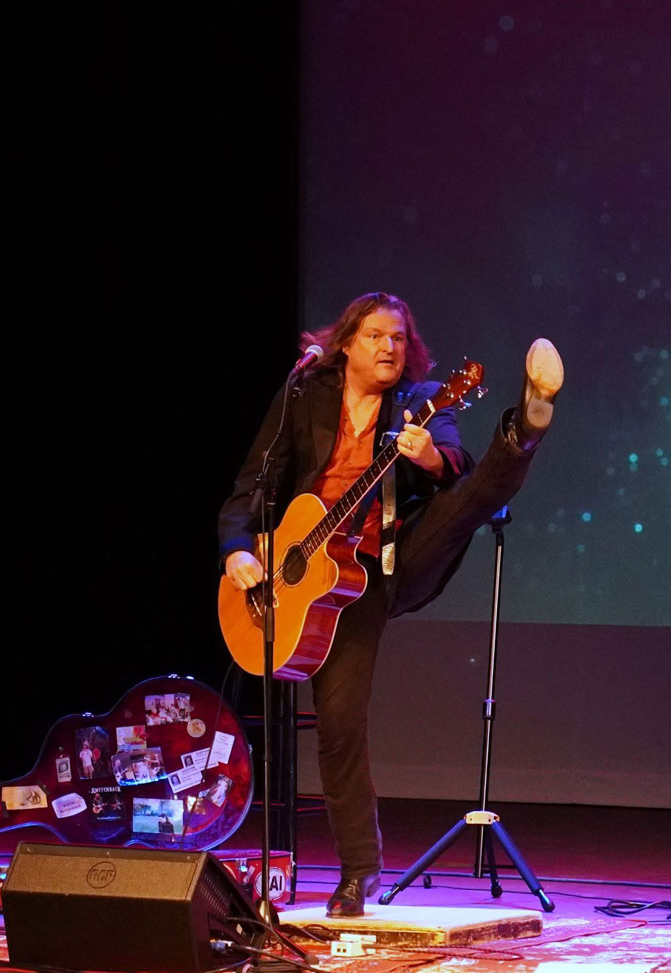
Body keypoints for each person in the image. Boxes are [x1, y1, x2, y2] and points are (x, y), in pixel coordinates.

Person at [217, 292, 564, 917]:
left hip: (385, 564)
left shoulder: (422, 400)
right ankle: (359, 873)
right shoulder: (304, 394)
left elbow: (453, 462)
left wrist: (431, 457)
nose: (388, 347)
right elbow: (254, 484)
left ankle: (525, 428)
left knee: (467, 502)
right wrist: (239, 550)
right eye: (376, 335)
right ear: (346, 342)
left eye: (399, 338)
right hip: (307, 584)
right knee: (340, 726)